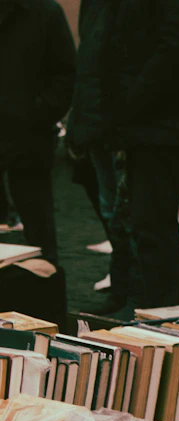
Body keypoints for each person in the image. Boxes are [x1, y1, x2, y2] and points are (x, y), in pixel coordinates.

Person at [69, 0, 179, 311]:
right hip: (141, 124)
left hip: (161, 125)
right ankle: (158, 311)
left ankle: (163, 314)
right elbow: (101, 56)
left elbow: (174, 49)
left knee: (153, 228)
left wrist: (129, 103)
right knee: (146, 225)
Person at [0, 0, 75, 263]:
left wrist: (37, 114)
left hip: (28, 136)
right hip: (27, 128)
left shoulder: (43, 11)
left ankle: (43, 283)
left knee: (38, 231)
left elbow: (65, 74)